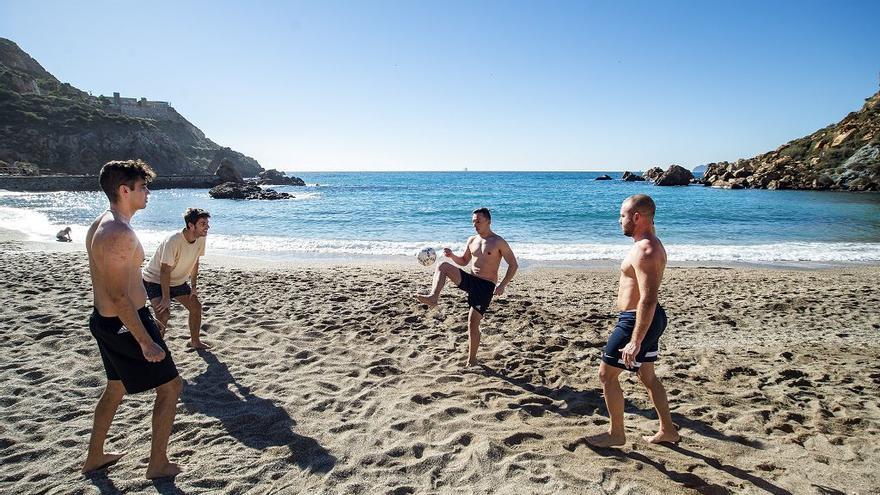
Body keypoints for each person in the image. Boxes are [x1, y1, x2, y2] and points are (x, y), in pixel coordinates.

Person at [82, 160, 183, 479]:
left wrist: (152, 308)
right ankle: (157, 464)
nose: (148, 192)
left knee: (115, 388)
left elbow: (126, 282)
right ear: (124, 190)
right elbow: (118, 296)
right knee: (170, 387)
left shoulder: (104, 222)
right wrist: (145, 339)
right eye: (143, 187)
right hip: (124, 325)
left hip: (110, 321)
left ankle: (95, 457)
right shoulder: (117, 232)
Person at [587, 194, 679, 447]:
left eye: (623, 215)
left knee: (606, 375)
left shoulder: (646, 250)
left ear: (637, 217)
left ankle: (616, 434)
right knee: (647, 376)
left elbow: (648, 299)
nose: (619, 220)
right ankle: (668, 430)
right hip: (647, 317)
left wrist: (635, 340)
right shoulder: (647, 242)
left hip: (635, 319)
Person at [415, 207, 518, 366]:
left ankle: (472, 360)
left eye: (478, 221)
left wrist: (502, 285)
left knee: (472, 323)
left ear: (488, 221)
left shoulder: (498, 242)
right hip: (471, 280)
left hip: (485, 287)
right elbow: (464, 261)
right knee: (443, 266)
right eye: (473, 222)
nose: (475, 225)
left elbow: (513, 265)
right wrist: (452, 256)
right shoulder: (472, 240)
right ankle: (433, 297)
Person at [142, 208, 211, 349]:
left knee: (196, 307)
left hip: (177, 281)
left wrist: (193, 287)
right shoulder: (173, 240)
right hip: (154, 280)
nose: (207, 227)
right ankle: (156, 347)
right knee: (164, 315)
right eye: (203, 223)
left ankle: (195, 342)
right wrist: (166, 297)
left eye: (207, 223)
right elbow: (164, 270)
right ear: (191, 225)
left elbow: (195, 261)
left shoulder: (201, 238)